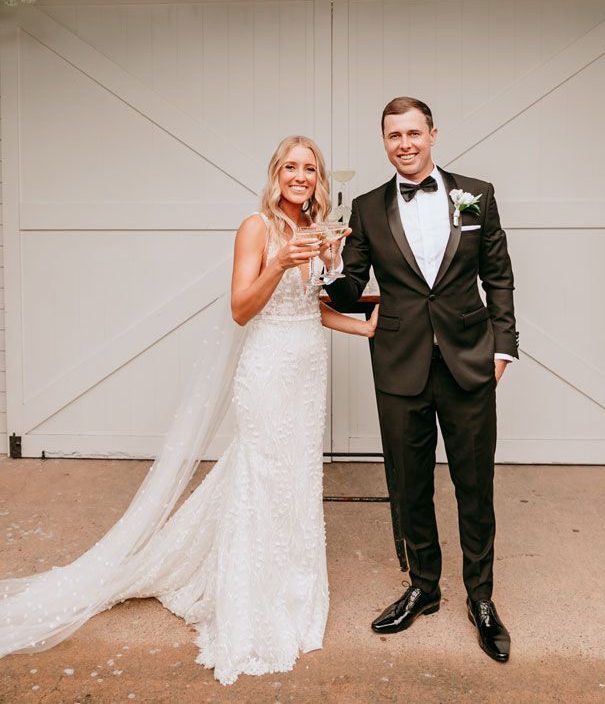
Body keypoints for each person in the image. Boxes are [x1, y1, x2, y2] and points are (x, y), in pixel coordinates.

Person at [0, 135, 378, 686]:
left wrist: (359, 324)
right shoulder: (258, 229)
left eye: (311, 170)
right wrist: (278, 261)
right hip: (268, 375)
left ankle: (294, 595)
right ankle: (252, 604)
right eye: (292, 167)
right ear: (276, 175)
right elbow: (243, 308)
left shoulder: (317, 236)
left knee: (296, 483)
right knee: (262, 478)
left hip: (306, 379)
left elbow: (311, 309)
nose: (302, 177)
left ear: (320, 182)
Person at [325, 97, 518, 663]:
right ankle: (424, 587)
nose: (404, 144)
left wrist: (502, 349)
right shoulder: (364, 207)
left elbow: (498, 276)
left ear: (433, 133)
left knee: (474, 487)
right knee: (409, 485)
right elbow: (350, 286)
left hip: (468, 361)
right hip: (399, 362)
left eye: (414, 133)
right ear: (384, 142)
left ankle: (480, 598)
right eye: (393, 136)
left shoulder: (475, 193)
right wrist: (332, 266)